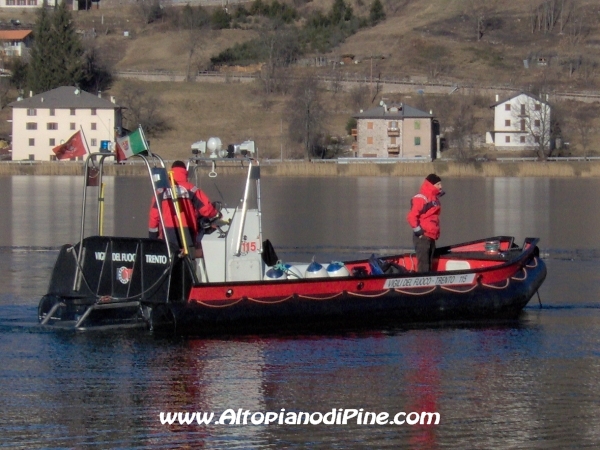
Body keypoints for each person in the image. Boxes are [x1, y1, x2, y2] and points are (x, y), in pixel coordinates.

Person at [148, 160, 220, 256]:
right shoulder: (191, 189)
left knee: (170, 258)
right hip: (187, 232)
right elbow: (206, 209)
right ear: (185, 172)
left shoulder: (161, 191)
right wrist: (216, 214)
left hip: (167, 232)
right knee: (188, 259)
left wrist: (153, 238)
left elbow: (154, 216)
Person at [406, 173, 444, 273]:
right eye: (438, 184)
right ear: (431, 185)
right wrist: (419, 231)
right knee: (424, 264)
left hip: (431, 236)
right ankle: (422, 285)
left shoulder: (434, 198)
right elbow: (411, 216)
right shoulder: (421, 198)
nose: (441, 186)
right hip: (423, 236)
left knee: (430, 263)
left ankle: (429, 283)